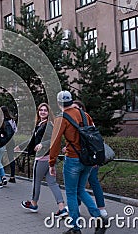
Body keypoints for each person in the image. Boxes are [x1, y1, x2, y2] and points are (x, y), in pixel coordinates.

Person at [49, 91, 107, 234]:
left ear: (58, 103)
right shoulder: (84, 115)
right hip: (87, 159)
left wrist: (52, 163)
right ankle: (99, 218)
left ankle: (75, 228)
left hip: (73, 159)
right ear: (71, 101)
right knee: (81, 190)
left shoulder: (61, 118)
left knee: (71, 193)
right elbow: (94, 134)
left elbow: (55, 143)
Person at [17, 103, 67, 217]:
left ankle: (34, 204)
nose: (43, 112)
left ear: (49, 113)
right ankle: (62, 208)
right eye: (41, 110)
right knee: (53, 183)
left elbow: (54, 139)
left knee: (36, 181)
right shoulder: (40, 124)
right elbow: (33, 140)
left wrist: (42, 145)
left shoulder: (48, 124)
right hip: (49, 158)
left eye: (45, 110)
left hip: (42, 158)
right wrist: (21, 146)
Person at [73, 100, 107, 218]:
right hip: (78, 158)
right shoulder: (73, 124)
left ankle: (101, 208)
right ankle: (75, 206)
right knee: (76, 183)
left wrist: (95, 158)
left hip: (90, 158)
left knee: (93, 180)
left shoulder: (89, 124)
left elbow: (96, 142)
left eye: (77, 109)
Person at [0, 106, 17, 183]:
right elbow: (15, 131)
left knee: (0, 158)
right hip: (11, 141)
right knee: (11, 158)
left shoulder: (1, 121)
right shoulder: (12, 120)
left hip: (3, 141)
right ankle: (12, 176)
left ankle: (2, 176)